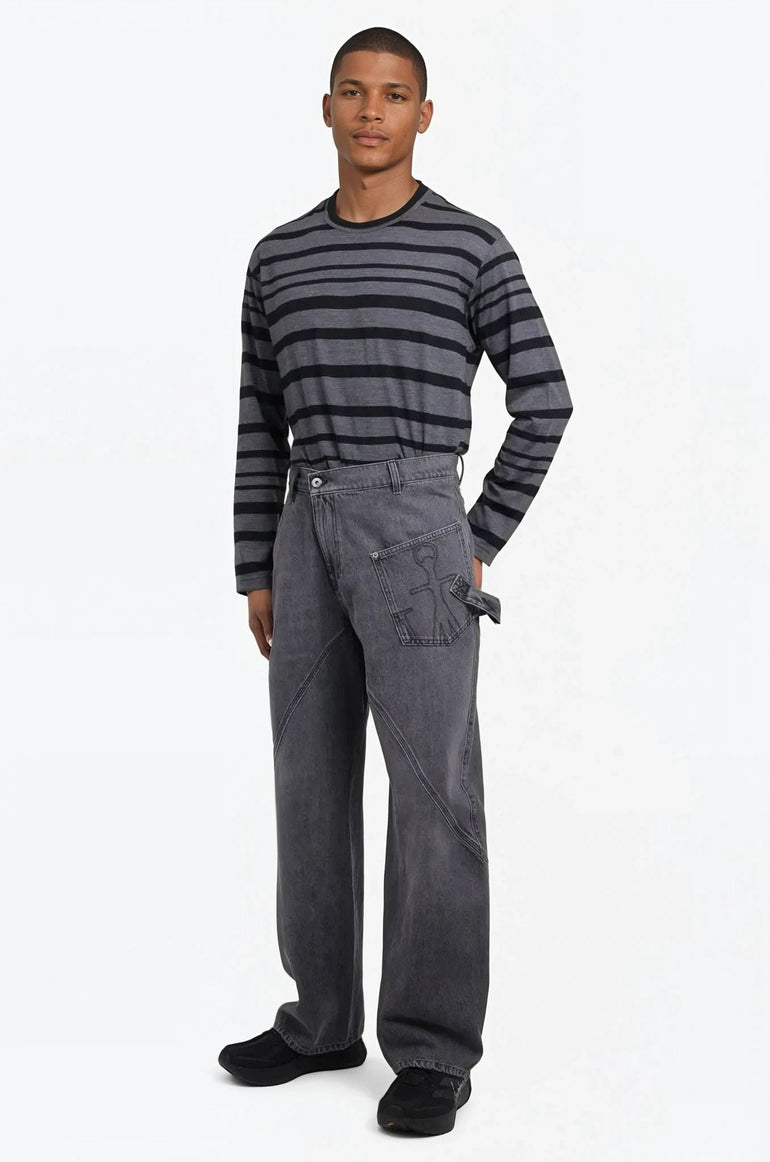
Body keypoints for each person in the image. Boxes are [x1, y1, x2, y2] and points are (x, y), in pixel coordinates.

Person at [219, 26, 573, 1136]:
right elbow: (259, 420)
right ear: (326, 107)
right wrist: (255, 562)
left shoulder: (470, 247)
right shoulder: (277, 258)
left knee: (431, 792)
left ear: (424, 115)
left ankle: (429, 1048)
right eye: (354, 91)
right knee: (307, 781)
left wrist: (474, 534)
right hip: (303, 528)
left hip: (418, 525)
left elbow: (546, 397)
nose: (371, 110)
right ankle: (320, 1020)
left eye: (395, 94)